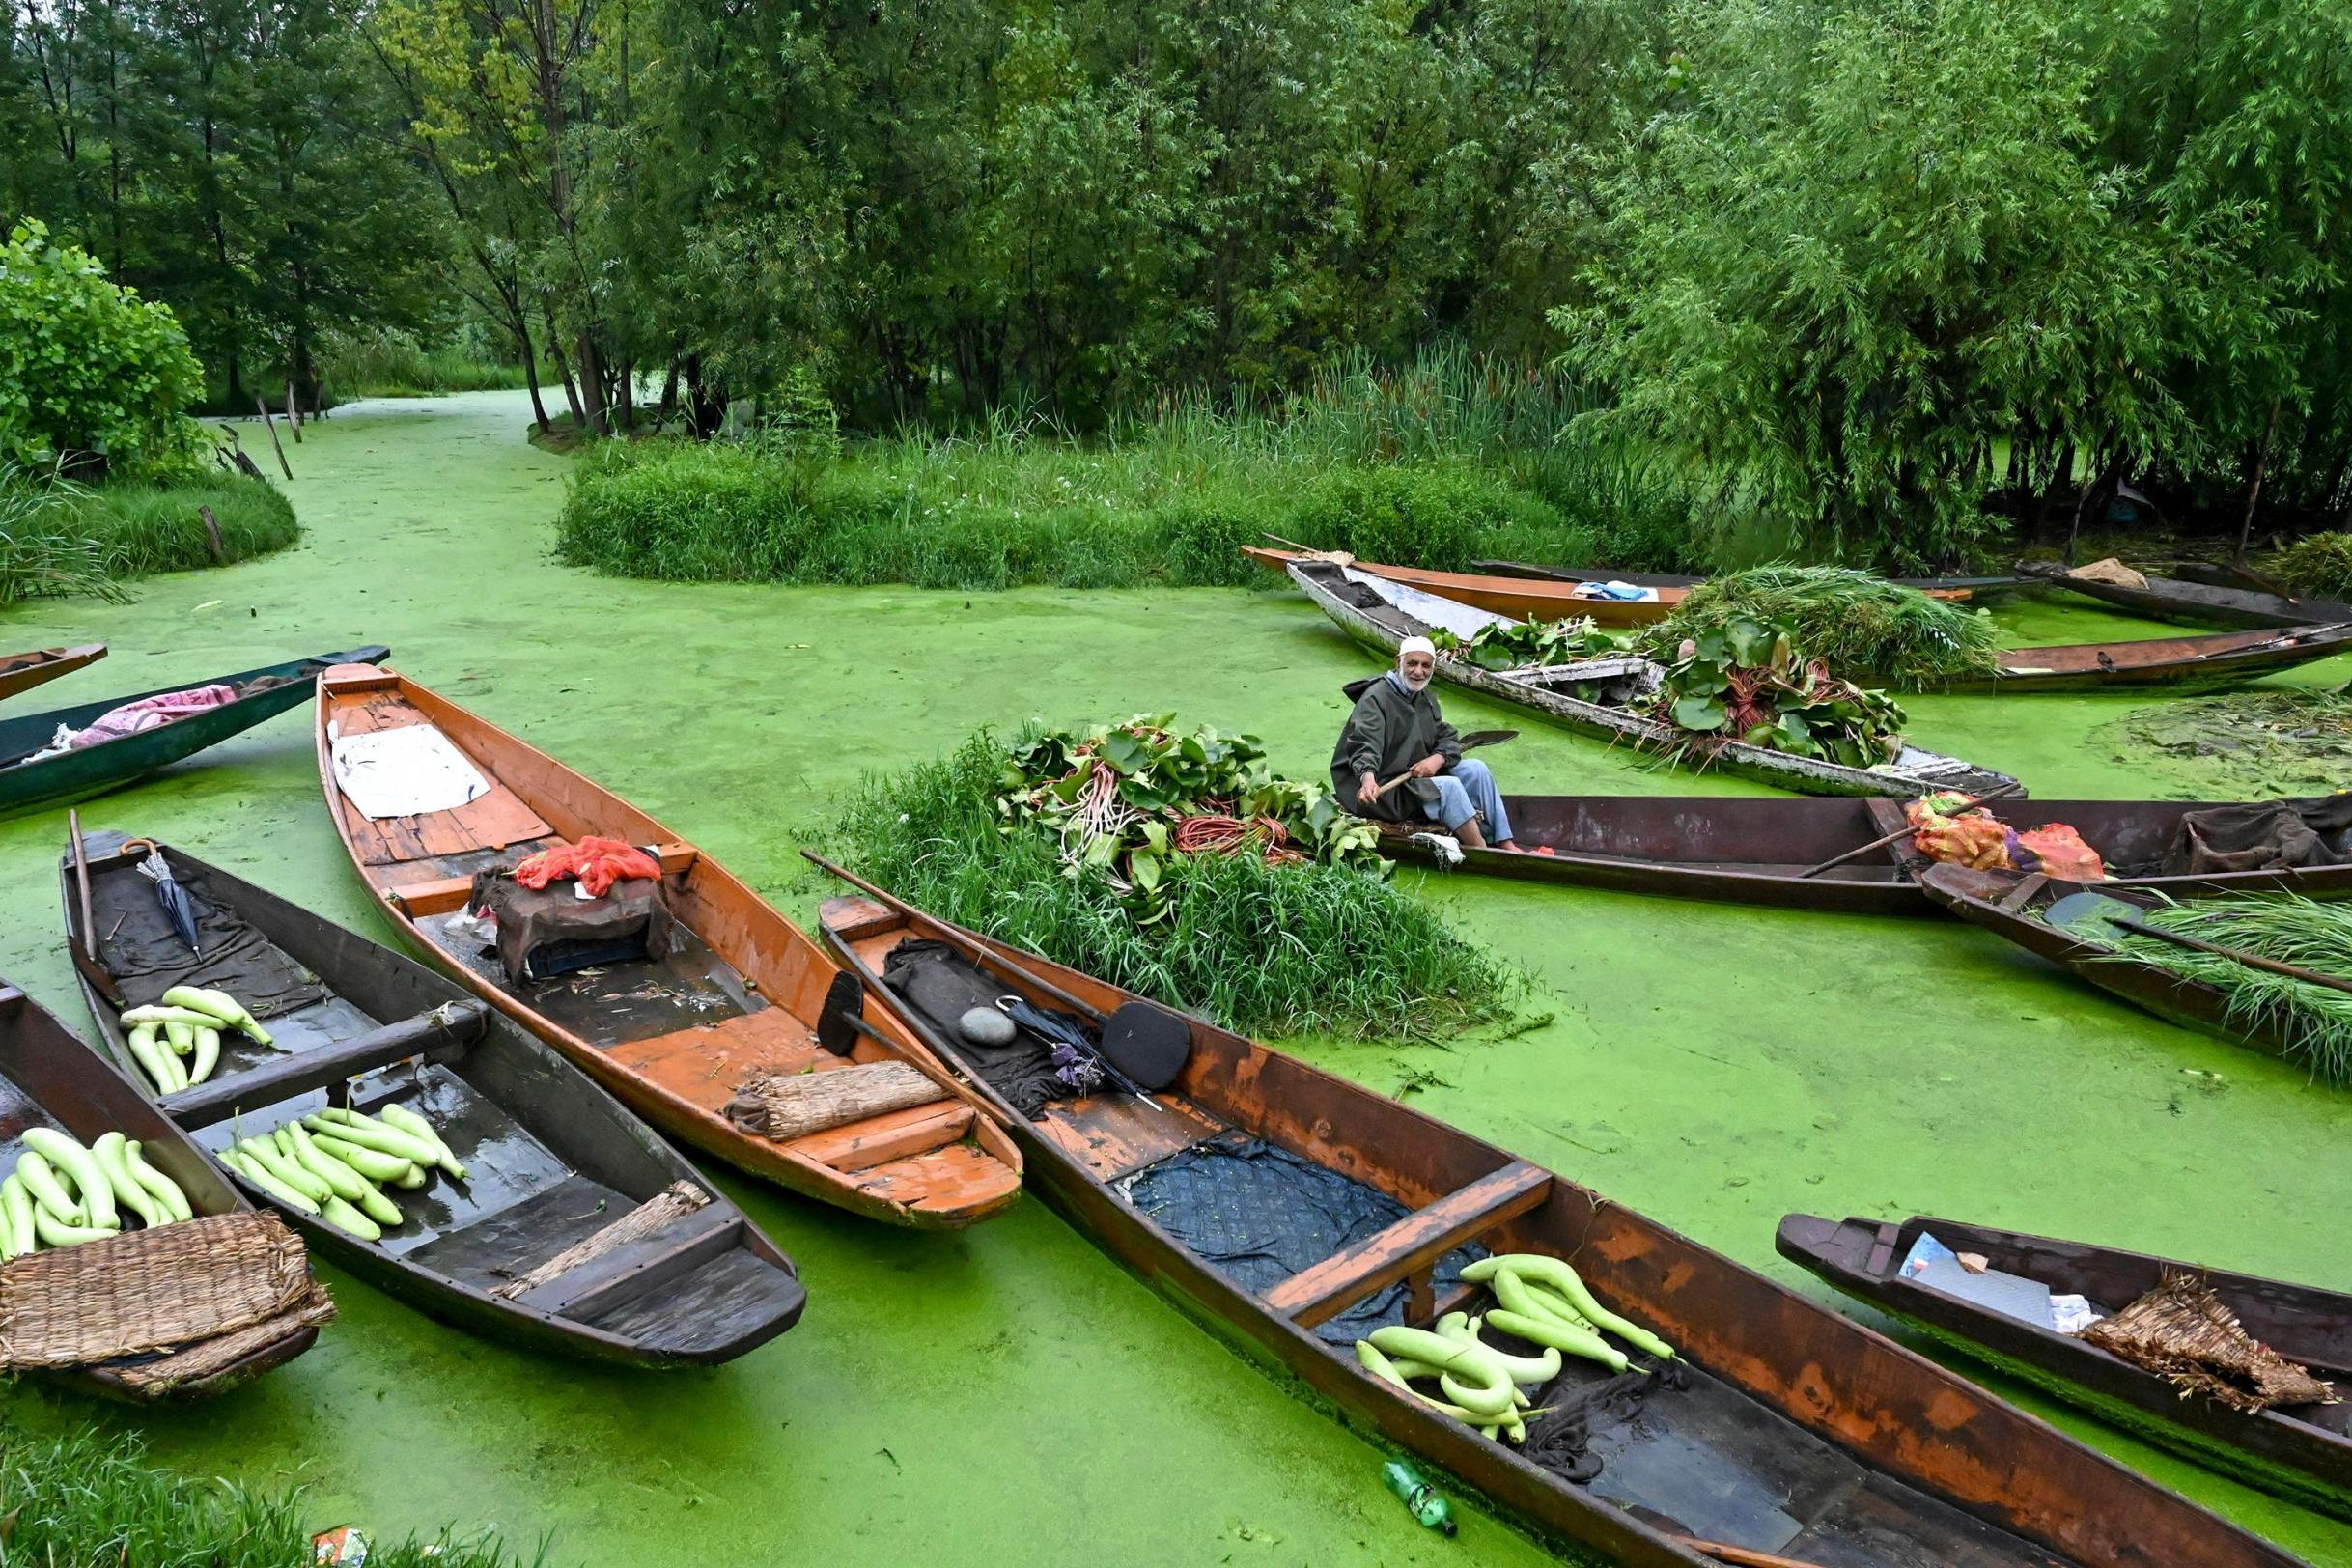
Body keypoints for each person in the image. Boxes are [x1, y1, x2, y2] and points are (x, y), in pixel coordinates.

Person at [1330, 636, 1536, 853]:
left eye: (1425, 665)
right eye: (1412, 663)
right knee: (1450, 787)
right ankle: (1481, 850)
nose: (1419, 672)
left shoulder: (1424, 698)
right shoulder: (1375, 699)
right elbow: (1365, 744)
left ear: (1433, 668)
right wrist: (1367, 778)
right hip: (1381, 791)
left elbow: (1447, 737)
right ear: (1397, 662)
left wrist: (1437, 759)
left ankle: (1505, 843)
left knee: (1476, 769)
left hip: (1413, 780)